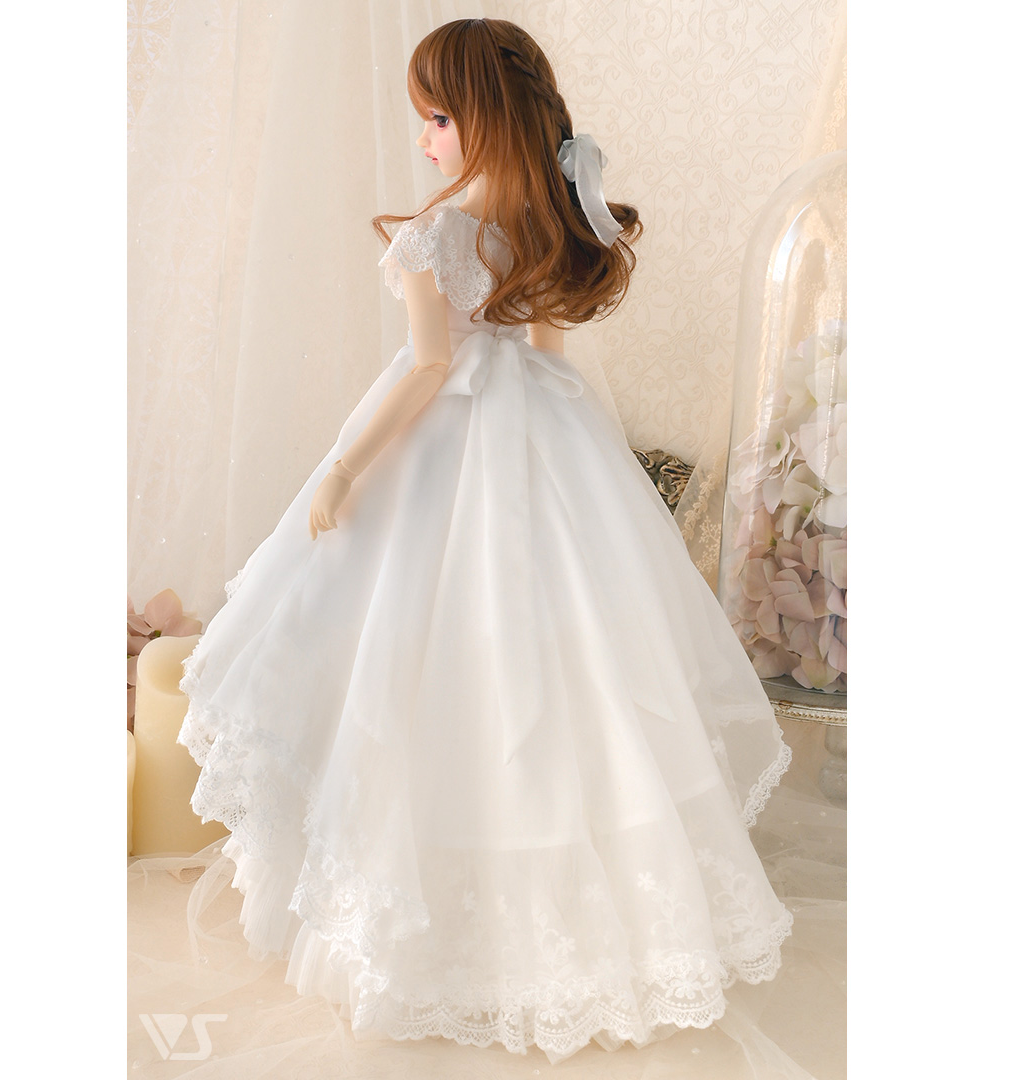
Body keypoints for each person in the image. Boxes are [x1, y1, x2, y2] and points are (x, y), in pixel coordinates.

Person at [178, 17, 793, 1065]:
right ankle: (577, 908)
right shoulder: (541, 218)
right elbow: (546, 348)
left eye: (435, 118)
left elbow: (430, 368)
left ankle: (473, 924)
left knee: (444, 659)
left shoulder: (433, 235)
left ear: (482, 117)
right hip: (547, 437)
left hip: (457, 444)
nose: (424, 140)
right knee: (557, 660)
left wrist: (344, 468)